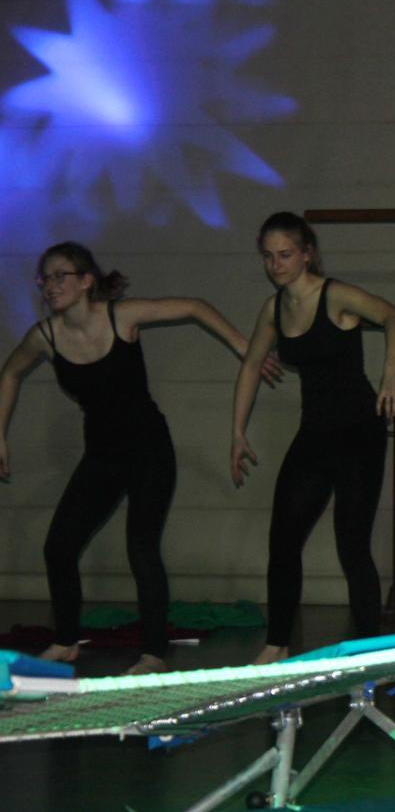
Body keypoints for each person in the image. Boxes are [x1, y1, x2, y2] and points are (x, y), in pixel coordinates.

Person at [0, 241, 277, 674]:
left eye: (59, 276)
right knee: (59, 546)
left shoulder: (121, 316)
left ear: (86, 280)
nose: (50, 286)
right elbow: (11, 372)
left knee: (141, 548)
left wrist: (246, 346)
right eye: (44, 278)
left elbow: (194, 307)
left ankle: (153, 653)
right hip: (102, 455)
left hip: (149, 449)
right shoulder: (45, 336)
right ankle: (66, 640)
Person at [231, 212, 395, 665]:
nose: (276, 265)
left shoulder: (336, 296)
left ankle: (368, 650)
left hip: (358, 431)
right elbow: (251, 365)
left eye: (285, 254)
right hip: (315, 432)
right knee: (283, 538)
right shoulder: (273, 309)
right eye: (268, 256)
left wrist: (391, 374)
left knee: (352, 541)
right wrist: (237, 431)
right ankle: (277, 643)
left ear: (307, 253)